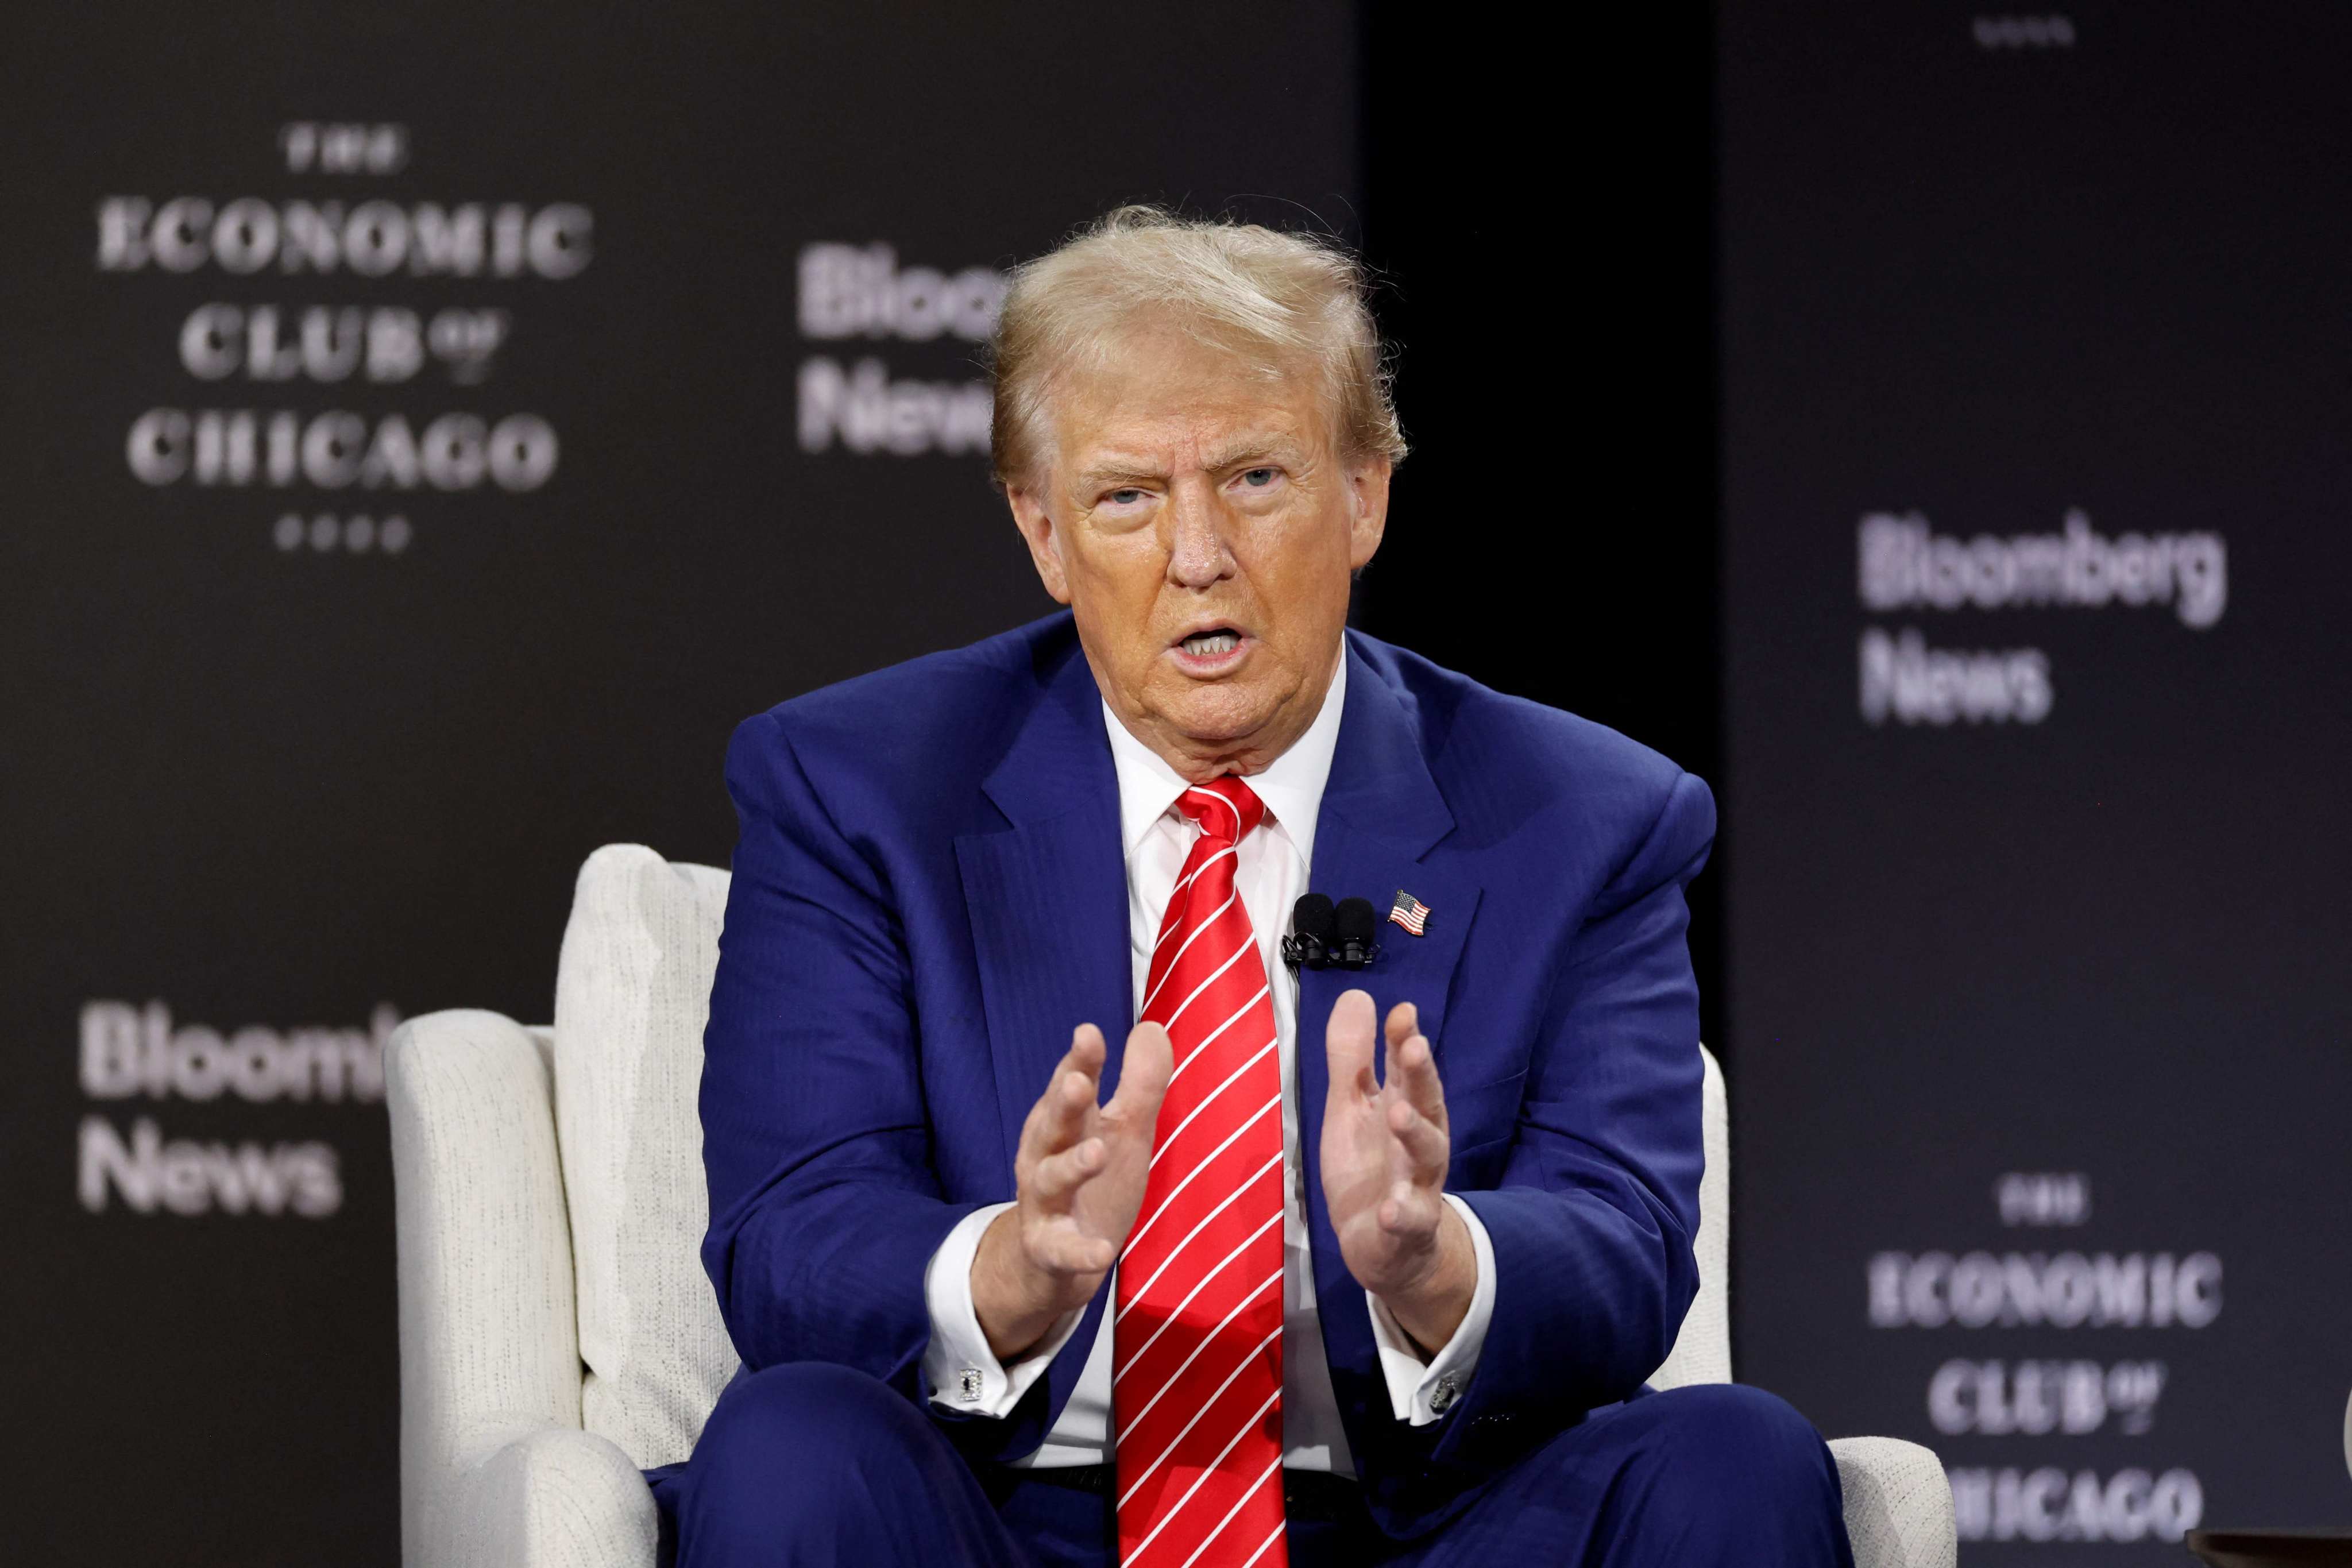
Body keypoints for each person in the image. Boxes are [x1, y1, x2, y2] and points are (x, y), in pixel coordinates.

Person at [656, 207, 1852, 1566]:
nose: (1196, 554)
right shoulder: (857, 792)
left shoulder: (1579, 819)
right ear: (1042, 533)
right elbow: (791, 1236)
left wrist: (1428, 1259)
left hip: (1425, 1522)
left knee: (1734, 1457)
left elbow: (1623, 1241)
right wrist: (1018, 1267)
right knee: (788, 1444)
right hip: (1008, 1514)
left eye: (1254, 480)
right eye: (1125, 497)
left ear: (1364, 497)